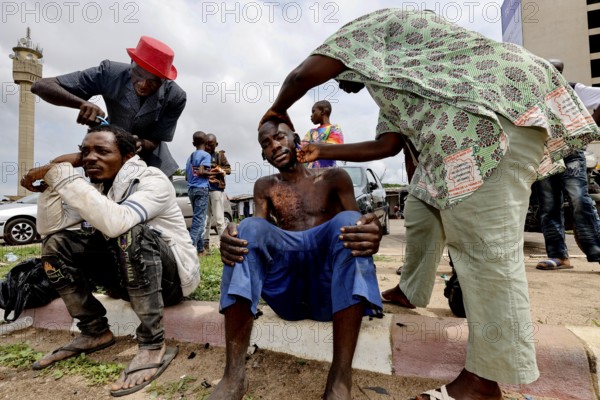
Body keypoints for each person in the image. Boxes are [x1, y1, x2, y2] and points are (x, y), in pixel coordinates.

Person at [259, 8, 600, 400]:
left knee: (484, 250)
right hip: (458, 138)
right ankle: (411, 288)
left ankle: (483, 382)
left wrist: (275, 110)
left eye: (340, 76)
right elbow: (387, 145)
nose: (342, 84)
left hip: (484, 119)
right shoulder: (394, 77)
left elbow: (303, 75)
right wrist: (319, 148)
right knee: (421, 206)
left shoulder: (365, 29)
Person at [20, 125, 200, 397]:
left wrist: (64, 174)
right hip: (126, 280)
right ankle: (94, 331)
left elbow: (117, 223)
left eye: (102, 151)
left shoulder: (152, 179)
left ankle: (152, 343)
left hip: (171, 282)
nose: (90, 158)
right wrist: (53, 183)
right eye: (84, 153)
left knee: (131, 232)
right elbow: (49, 226)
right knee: (55, 244)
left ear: (127, 156)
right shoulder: (99, 187)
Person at [209, 121, 383, 400]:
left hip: (331, 294)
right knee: (248, 228)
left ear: (296, 139)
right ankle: (233, 376)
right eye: (266, 144)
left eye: (279, 137)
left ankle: (339, 379)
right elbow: (258, 238)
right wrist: (234, 237)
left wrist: (371, 233)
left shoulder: (334, 177)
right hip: (287, 292)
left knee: (350, 222)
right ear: (264, 156)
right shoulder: (265, 186)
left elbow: (361, 227)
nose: (274, 145)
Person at [31, 35, 186, 178]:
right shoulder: (109, 73)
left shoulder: (175, 96)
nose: (143, 84)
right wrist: (81, 103)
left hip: (153, 167)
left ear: (164, 80)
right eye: (138, 74)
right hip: (109, 163)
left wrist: (138, 143)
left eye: (153, 81)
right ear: (132, 64)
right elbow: (41, 86)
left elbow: (155, 140)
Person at [534, 59, 600, 270]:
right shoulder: (534, 95)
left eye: (557, 71)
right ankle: (559, 257)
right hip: (545, 155)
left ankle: (597, 252)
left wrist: (589, 126)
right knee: (549, 205)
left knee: (579, 199)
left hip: (571, 152)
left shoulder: (574, 89)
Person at [202, 133, 232, 252]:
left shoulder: (220, 156)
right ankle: (205, 246)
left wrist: (219, 170)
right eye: (207, 145)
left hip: (216, 190)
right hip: (204, 190)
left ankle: (224, 246)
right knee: (206, 220)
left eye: (211, 144)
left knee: (220, 219)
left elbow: (228, 169)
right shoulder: (202, 156)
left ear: (216, 144)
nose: (208, 147)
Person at [185, 131, 213, 256]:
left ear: (193, 143)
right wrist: (214, 173)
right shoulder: (206, 155)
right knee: (199, 220)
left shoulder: (189, 157)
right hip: (201, 189)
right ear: (207, 143)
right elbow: (202, 171)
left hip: (191, 189)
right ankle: (188, 249)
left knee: (198, 218)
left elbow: (186, 177)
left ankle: (200, 250)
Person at [303, 100, 344, 168]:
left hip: (327, 174)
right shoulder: (311, 132)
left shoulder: (334, 128)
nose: (311, 115)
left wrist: (311, 146)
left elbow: (334, 148)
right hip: (309, 174)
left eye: (313, 111)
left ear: (322, 111)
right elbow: (302, 148)